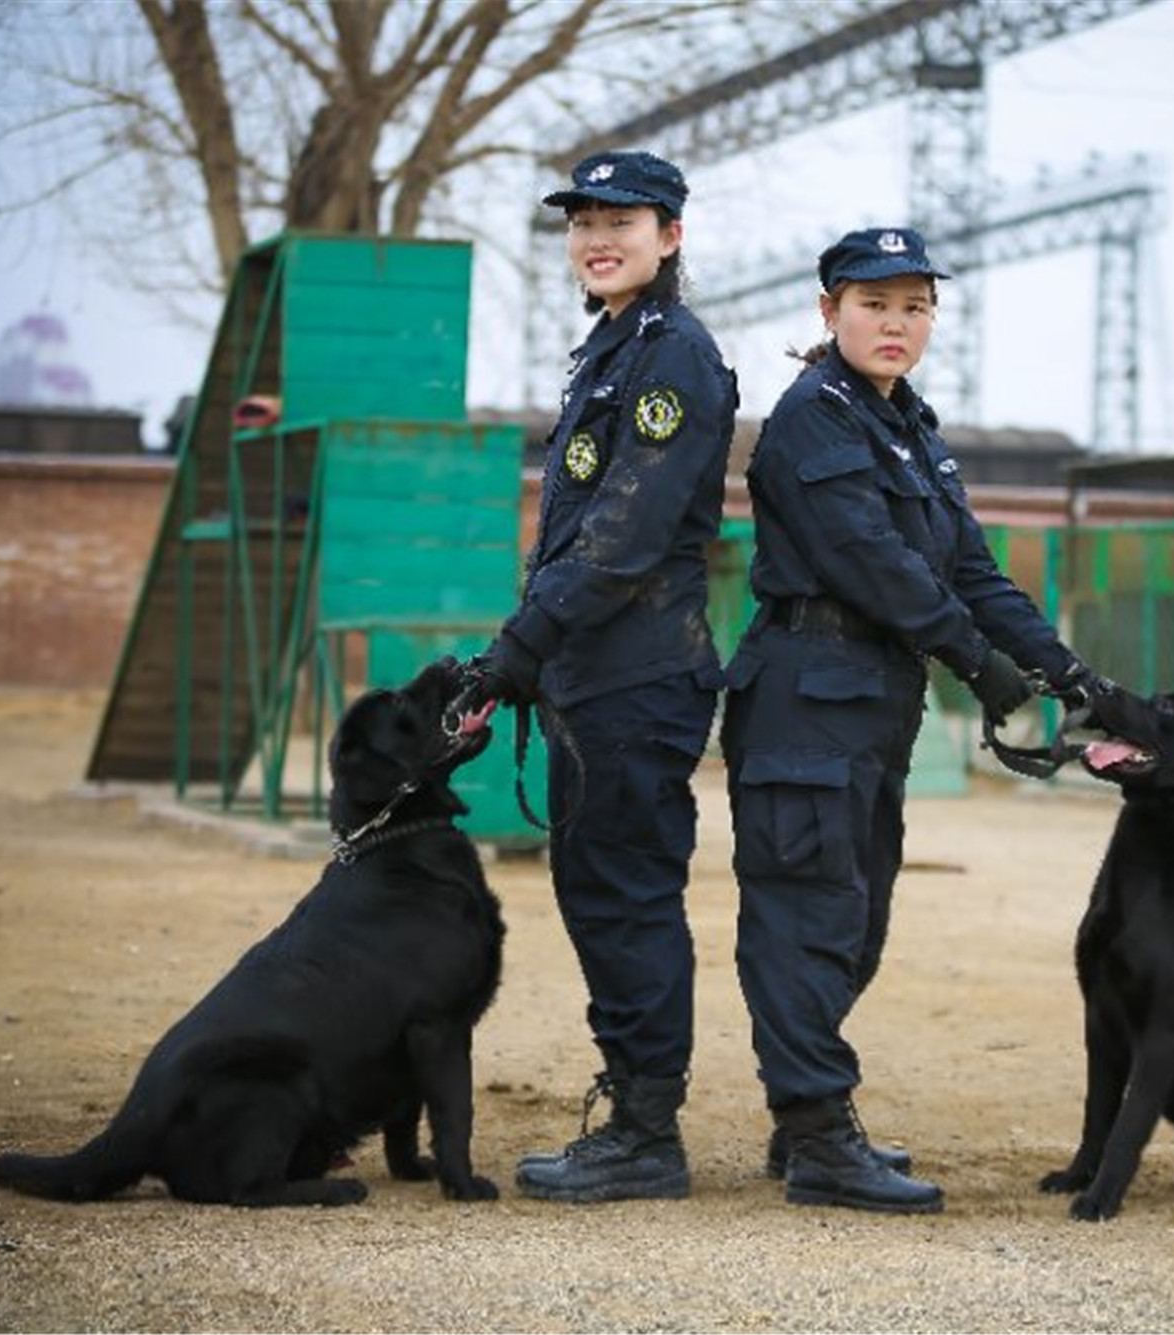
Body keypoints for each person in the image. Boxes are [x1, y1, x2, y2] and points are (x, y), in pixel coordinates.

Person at [721, 226, 1114, 1214]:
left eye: (914, 307)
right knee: (806, 915)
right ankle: (816, 1134)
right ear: (827, 312)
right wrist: (975, 665)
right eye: (872, 304)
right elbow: (871, 561)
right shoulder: (814, 416)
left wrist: (1063, 672)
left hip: (871, 699)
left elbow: (968, 569)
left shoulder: (907, 427)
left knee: (855, 919)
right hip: (808, 689)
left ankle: (805, 1119)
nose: (895, 325)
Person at [450, 150, 737, 1202]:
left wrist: (519, 645)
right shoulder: (610, 350)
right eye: (581, 223)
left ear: (670, 237)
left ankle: (646, 1136)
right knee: (599, 896)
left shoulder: (674, 358)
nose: (596, 237)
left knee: (626, 900)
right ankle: (631, 1109)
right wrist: (533, 650)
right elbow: (580, 534)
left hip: (638, 679)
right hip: (592, 674)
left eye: (623, 220)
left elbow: (620, 539)